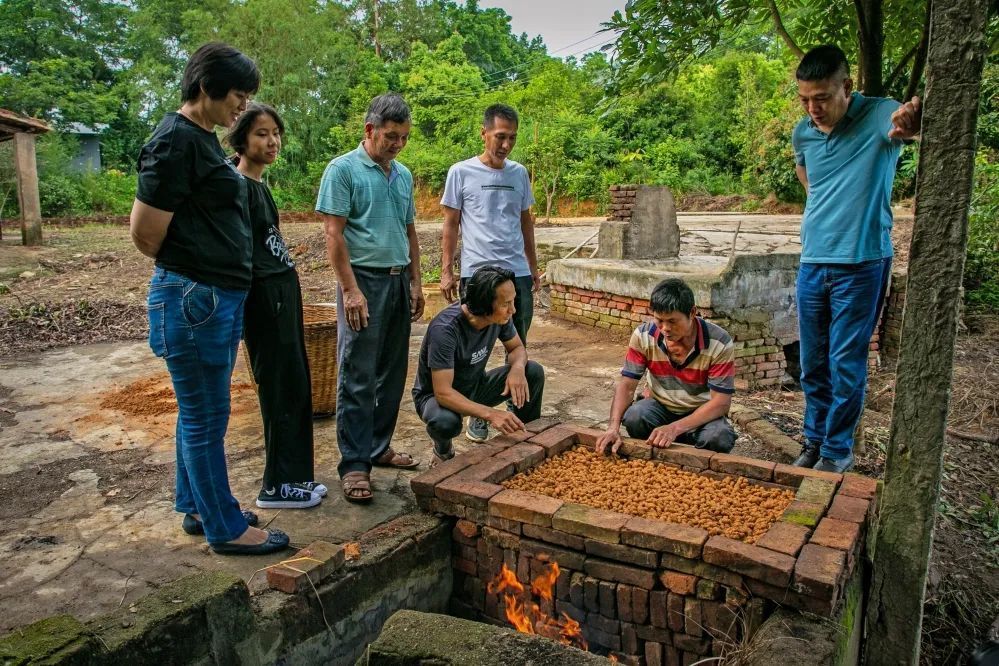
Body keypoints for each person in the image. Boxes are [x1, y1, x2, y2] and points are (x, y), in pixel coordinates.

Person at [130, 43, 289, 555]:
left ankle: (197, 506)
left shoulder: (197, 140)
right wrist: (199, 267)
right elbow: (145, 233)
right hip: (195, 296)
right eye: (238, 95)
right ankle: (226, 527)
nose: (242, 107)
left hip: (210, 296)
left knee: (197, 412)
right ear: (206, 88)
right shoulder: (174, 141)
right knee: (206, 417)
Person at [791, 45, 922, 472]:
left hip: (862, 263)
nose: (814, 108)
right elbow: (808, 178)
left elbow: (909, 126)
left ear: (847, 86)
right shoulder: (803, 132)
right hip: (813, 262)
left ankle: (836, 451)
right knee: (812, 364)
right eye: (805, 99)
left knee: (845, 363)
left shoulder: (881, 113)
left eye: (823, 98)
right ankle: (813, 441)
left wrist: (915, 118)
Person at [316, 93, 424, 503]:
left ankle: (379, 447)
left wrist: (415, 283)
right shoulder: (342, 170)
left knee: (392, 374)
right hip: (362, 282)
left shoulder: (403, 175)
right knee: (358, 374)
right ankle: (355, 464)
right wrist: (349, 290)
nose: (397, 144)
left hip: (397, 281)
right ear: (369, 131)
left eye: (404, 138)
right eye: (391, 136)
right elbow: (334, 234)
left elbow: (410, 232)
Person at [227, 103, 326, 510]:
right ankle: (277, 487)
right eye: (261, 134)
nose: (272, 142)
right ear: (240, 140)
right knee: (279, 388)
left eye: (275, 133)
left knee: (296, 384)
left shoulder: (258, 185)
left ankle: (296, 478)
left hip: (282, 297)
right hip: (263, 300)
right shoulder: (236, 186)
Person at [439, 103, 539, 443]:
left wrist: (533, 267)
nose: (506, 145)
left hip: (517, 272)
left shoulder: (519, 173)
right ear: (483, 134)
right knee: (475, 348)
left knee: (517, 341)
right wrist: (446, 271)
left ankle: (517, 409)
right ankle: (478, 412)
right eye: (499, 137)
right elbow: (450, 224)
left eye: (512, 138)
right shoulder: (461, 172)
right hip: (477, 273)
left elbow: (526, 222)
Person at [413, 266, 545, 465]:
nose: (513, 310)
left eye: (513, 301)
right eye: (506, 304)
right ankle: (443, 450)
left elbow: (517, 348)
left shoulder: (500, 318)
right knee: (445, 423)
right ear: (485, 304)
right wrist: (490, 414)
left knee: (532, 371)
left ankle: (527, 437)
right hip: (437, 399)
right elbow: (443, 393)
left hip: (475, 385)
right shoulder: (445, 330)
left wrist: (517, 369)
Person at [595, 278, 736, 456]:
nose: (665, 328)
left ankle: (684, 441)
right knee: (635, 417)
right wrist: (612, 428)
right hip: (660, 407)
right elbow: (627, 384)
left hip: (700, 413)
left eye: (672, 321)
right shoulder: (643, 335)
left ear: (692, 313)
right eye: (659, 320)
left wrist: (674, 428)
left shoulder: (719, 342)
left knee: (718, 437)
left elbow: (721, 403)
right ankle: (661, 445)